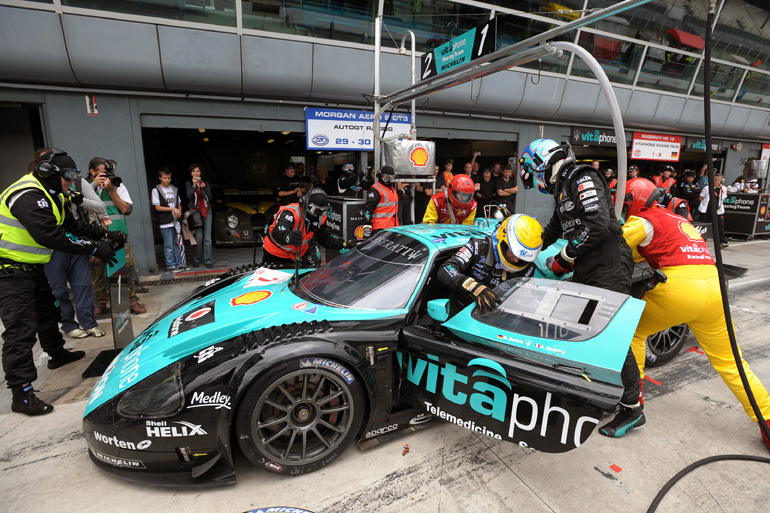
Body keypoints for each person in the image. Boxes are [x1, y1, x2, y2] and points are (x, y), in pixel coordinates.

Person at [621, 178, 770, 450]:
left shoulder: (642, 221)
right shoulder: (681, 220)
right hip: (714, 287)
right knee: (731, 361)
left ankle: (633, 404)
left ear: (633, 201)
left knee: (633, 331)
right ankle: (768, 420)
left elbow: (615, 251)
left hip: (681, 288)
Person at [519, 138, 642, 437]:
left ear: (541, 163)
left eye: (532, 172)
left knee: (613, 337)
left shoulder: (581, 176)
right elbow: (554, 227)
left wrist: (567, 254)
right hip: (591, 264)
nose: (535, 180)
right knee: (587, 332)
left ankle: (632, 409)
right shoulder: (564, 187)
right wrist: (525, 250)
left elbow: (598, 223)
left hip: (608, 261)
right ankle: (605, 394)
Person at [0, 148, 124, 415]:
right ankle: (21, 393)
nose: (71, 182)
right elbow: (50, 235)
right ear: (48, 172)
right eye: (68, 177)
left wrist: (105, 234)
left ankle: (57, 354)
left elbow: (71, 225)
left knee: (48, 313)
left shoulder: (51, 194)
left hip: (33, 268)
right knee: (20, 330)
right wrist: (94, 248)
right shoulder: (27, 194)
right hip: (9, 272)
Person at [44, 161, 107, 339]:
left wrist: (78, 199)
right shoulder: (42, 189)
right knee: (59, 289)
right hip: (55, 244)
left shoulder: (78, 184)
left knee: (83, 284)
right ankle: (69, 324)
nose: (70, 182)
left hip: (78, 240)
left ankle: (89, 323)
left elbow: (101, 207)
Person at [437, 214, 543, 316]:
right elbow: (446, 269)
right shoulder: (479, 246)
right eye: (514, 253)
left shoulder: (528, 269)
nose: (516, 260)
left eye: (522, 258)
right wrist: (471, 286)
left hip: (492, 321)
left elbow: (524, 303)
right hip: (457, 312)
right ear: (503, 241)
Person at [87, 157, 146, 316]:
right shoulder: (85, 187)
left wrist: (112, 191)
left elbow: (127, 210)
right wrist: (93, 187)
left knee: (125, 267)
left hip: (118, 234)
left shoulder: (117, 185)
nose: (105, 176)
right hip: (95, 235)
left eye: (107, 173)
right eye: (101, 174)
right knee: (96, 269)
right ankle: (100, 302)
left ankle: (131, 300)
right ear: (92, 173)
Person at [262, 188, 355, 267]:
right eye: (315, 210)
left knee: (314, 271)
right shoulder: (291, 212)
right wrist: (287, 237)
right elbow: (279, 230)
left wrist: (343, 244)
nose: (318, 215)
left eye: (322, 211)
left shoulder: (320, 219)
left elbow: (324, 238)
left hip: (299, 252)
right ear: (307, 205)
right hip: (275, 253)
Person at [152, 168, 183, 272]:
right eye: (164, 178)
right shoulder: (156, 190)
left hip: (175, 221)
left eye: (169, 178)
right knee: (168, 245)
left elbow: (179, 204)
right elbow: (157, 207)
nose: (167, 180)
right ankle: (170, 266)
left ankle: (179, 264)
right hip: (165, 222)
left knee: (176, 244)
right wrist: (173, 209)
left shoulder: (174, 189)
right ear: (160, 178)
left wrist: (178, 211)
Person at [185, 163, 213, 268]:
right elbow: (189, 196)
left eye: (198, 171)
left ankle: (208, 261)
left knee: (207, 238)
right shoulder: (188, 183)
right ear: (191, 173)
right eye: (194, 171)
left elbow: (209, 197)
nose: (196, 173)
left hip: (206, 210)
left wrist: (204, 188)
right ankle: (196, 259)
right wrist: (194, 185)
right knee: (199, 237)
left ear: (201, 173)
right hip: (195, 212)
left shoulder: (205, 183)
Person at [365, 165, 402, 235]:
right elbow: (368, 209)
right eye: (386, 178)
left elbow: (391, 202)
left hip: (393, 227)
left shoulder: (391, 188)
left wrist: (402, 192)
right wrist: (367, 226)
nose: (388, 180)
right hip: (380, 228)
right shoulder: (375, 190)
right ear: (380, 176)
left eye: (391, 178)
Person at [698, 173, 728, 248]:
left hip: (718, 210)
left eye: (718, 180)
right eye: (715, 180)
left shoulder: (724, 188)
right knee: (704, 226)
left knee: (720, 226)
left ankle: (722, 241)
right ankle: (701, 242)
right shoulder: (707, 188)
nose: (716, 181)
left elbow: (723, 198)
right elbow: (701, 198)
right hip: (707, 210)